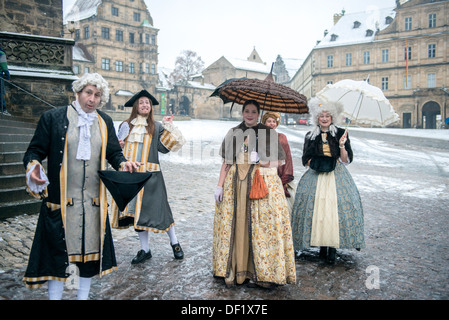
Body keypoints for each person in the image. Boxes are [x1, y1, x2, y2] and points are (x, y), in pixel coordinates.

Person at [22, 73, 141, 299]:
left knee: (89, 258)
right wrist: (33, 167)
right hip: (61, 202)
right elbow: (34, 151)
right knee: (57, 258)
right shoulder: (53, 118)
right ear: (78, 92)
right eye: (88, 93)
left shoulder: (104, 121)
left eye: (97, 95)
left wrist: (124, 163)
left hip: (92, 204)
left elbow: (114, 152)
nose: (92, 99)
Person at [213, 100, 296, 288]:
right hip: (235, 184)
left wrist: (262, 160)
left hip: (258, 184)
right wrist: (219, 186)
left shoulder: (268, 133)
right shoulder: (234, 132)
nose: (249, 114)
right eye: (246, 111)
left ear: (259, 114)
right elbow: (226, 162)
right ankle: (234, 270)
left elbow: (279, 162)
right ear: (242, 113)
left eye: (253, 111)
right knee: (236, 224)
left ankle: (260, 273)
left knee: (258, 226)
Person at [111, 90, 186, 263]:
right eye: (141, 102)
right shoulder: (125, 125)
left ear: (151, 107)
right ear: (136, 106)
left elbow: (165, 148)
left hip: (152, 177)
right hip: (131, 177)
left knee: (162, 211)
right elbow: (116, 151)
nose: (145, 105)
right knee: (138, 214)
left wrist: (168, 127)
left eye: (148, 103)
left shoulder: (156, 126)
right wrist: (119, 145)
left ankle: (175, 243)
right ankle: (145, 250)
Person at [290, 97, 364, 265]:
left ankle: (332, 247)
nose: (324, 119)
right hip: (316, 174)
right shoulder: (310, 135)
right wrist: (316, 163)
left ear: (332, 117)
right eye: (321, 116)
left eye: (327, 116)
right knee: (317, 210)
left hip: (336, 174)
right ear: (317, 118)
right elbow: (305, 158)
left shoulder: (340, 133)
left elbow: (346, 160)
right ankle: (322, 245)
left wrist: (342, 145)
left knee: (334, 209)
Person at [261, 111, 296, 214]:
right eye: (269, 121)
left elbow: (286, 158)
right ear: (264, 123)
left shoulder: (281, 137)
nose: (272, 124)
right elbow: (247, 151)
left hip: (275, 174)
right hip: (260, 174)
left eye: (274, 121)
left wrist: (284, 178)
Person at [0, 46, 11, 116]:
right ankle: (3, 109)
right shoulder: (1, 53)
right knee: (1, 92)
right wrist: (7, 76)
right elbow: (4, 65)